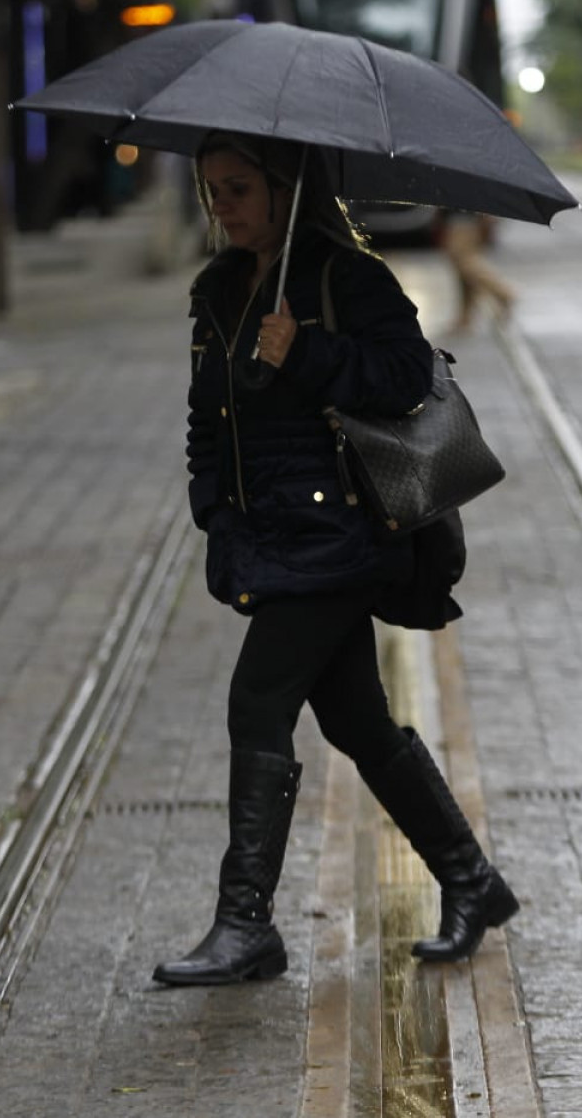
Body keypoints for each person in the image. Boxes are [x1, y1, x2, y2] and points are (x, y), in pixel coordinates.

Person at [156, 131, 518, 986]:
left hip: (338, 537)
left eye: (240, 188)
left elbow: (407, 375)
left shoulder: (345, 276)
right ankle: (473, 880)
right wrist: (214, 510)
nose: (224, 206)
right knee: (356, 721)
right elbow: (208, 416)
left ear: (285, 189)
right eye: (213, 190)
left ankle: (246, 924)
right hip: (268, 537)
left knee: (257, 701)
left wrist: (310, 353)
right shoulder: (219, 290)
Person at [441, 211, 515, 334]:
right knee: (463, 269)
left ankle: (503, 292)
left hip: (463, 219)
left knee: (464, 261)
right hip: (464, 219)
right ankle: (465, 316)